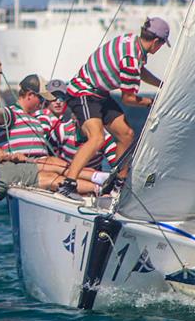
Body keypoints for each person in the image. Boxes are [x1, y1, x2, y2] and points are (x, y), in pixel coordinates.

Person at [57, 17, 169, 198]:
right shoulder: (131, 58)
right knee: (97, 138)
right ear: (156, 42)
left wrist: (163, 85)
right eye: (163, 44)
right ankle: (67, 184)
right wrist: (152, 102)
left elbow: (140, 71)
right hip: (82, 92)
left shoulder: (132, 41)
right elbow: (129, 99)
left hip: (99, 94)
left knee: (127, 134)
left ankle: (117, 184)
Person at [0, 57, 56, 158]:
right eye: (41, 99)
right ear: (30, 95)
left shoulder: (35, 120)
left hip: (42, 168)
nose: (43, 104)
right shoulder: (12, 114)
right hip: (22, 168)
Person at [44, 80, 118, 171]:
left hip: (92, 180)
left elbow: (116, 165)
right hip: (64, 175)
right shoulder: (62, 130)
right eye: (81, 114)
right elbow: (47, 155)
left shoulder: (105, 137)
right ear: (73, 116)